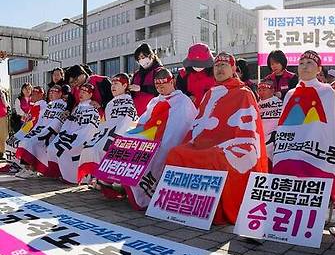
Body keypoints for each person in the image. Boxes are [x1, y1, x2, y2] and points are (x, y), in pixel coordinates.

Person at [166, 52, 268, 224]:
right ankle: (183, 203)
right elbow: (198, 126)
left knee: (217, 157)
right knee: (176, 152)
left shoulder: (244, 93)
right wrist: (193, 142)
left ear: (234, 68)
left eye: (224, 65)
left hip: (232, 145)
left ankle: (214, 208)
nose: (220, 69)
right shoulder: (209, 93)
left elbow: (249, 132)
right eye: (216, 66)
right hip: (203, 142)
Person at [271, 50, 335, 203]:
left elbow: (334, 126)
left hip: (317, 153)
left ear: (318, 69)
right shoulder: (290, 94)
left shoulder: (327, 92)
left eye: (310, 63)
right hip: (289, 151)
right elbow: (283, 126)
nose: (304, 66)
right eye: (301, 63)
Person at [121, 68, 197, 209]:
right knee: (127, 142)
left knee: (162, 150)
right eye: (157, 85)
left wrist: (163, 140)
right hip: (152, 134)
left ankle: (149, 192)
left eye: (164, 83)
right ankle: (125, 185)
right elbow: (144, 120)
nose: (160, 87)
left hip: (172, 139)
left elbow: (181, 126)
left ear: (172, 81)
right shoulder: (155, 100)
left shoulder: (183, 101)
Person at [78, 73, 138, 183]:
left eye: (116, 84)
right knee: (89, 148)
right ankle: (94, 177)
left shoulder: (131, 101)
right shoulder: (110, 103)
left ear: (125, 86)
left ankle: (104, 179)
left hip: (123, 136)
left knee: (99, 150)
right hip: (107, 133)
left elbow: (129, 122)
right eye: (112, 84)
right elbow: (107, 122)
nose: (113, 86)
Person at [46, 82, 100, 183]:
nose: (82, 94)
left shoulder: (92, 109)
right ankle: (60, 173)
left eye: (85, 92)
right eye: (81, 91)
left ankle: (73, 177)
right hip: (69, 136)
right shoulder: (76, 108)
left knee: (65, 151)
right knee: (52, 148)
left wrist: (76, 138)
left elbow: (90, 129)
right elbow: (68, 125)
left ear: (91, 95)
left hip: (80, 139)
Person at [16, 85, 69, 176]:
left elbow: (59, 121)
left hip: (51, 132)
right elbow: (40, 119)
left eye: (55, 91)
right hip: (41, 129)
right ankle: (26, 168)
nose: (51, 93)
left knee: (32, 142)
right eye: (50, 91)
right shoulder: (49, 104)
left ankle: (32, 170)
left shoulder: (64, 104)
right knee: (25, 140)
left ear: (61, 93)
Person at [176, 43, 216, 108]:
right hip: (191, 112)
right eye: (195, 64)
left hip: (210, 112)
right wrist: (187, 96)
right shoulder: (183, 75)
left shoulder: (216, 74)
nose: (198, 67)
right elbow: (179, 92)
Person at [130, 43, 163, 116]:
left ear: (151, 56)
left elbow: (162, 89)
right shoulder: (137, 74)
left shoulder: (159, 71)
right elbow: (131, 93)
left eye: (143, 57)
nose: (141, 60)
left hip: (154, 114)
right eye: (139, 59)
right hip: (137, 115)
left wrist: (141, 88)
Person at [256, 79, 283, 164]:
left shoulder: (280, 104)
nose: (261, 92)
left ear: (272, 90)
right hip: (260, 137)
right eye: (259, 90)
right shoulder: (256, 104)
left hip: (274, 138)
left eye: (264, 90)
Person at [0, 89, 8, 159]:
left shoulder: (3, 92)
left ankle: (2, 152)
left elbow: (6, 104)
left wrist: (2, 97)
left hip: (2, 116)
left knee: (3, 135)